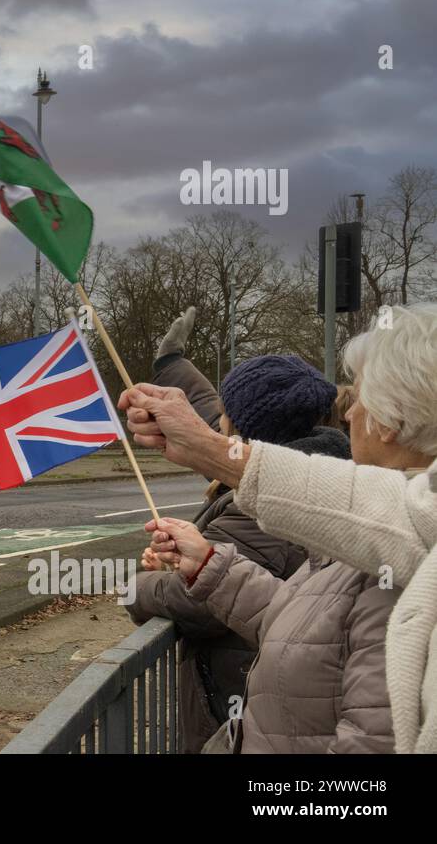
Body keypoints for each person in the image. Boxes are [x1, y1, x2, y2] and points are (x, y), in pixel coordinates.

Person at [121, 303, 437, 753]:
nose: (348, 415)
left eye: (362, 398)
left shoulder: (393, 576)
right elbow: (307, 623)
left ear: (391, 422)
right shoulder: (390, 534)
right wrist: (210, 566)